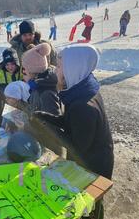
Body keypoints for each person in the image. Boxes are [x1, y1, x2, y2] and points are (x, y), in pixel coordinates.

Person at [34, 44, 114, 218]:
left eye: (60, 66)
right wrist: (46, 117)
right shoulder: (81, 90)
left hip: (94, 166)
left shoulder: (83, 106)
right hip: (94, 155)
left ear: (73, 68)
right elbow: (71, 123)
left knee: (89, 205)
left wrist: (48, 128)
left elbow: (76, 147)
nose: (56, 71)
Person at [22, 43, 61, 115]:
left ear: (33, 71)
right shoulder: (37, 86)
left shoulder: (46, 94)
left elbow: (52, 124)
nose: (23, 72)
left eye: (24, 69)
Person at [0, 48, 22, 125]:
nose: (10, 67)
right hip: (4, 106)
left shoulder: (22, 72)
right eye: (7, 64)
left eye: (12, 64)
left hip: (20, 106)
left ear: (16, 63)